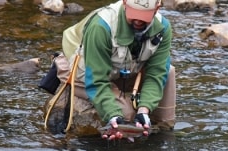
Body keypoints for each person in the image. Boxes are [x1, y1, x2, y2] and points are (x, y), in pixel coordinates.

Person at [44, 0, 176, 140]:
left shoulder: (163, 27)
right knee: (125, 114)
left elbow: (156, 73)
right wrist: (113, 114)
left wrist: (144, 109)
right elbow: (96, 80)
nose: (138, 20)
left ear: (157, 9)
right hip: (85, 69)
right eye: (134, 13)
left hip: (121, 69)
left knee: (169, 71)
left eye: (144, 16)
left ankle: (161, 133)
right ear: (125, 3)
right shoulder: (101, 26)